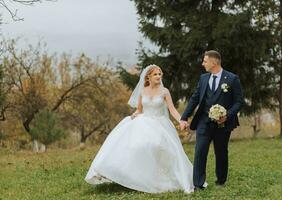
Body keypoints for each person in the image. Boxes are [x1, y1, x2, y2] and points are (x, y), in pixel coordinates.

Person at [85, 64, 196, 193]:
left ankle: (159, 178)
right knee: (135, 146)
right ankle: (117, 172)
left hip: (160, 124)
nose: (158, 76)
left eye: (160, 74)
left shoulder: (164, 92)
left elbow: (172, 110)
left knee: (157, 146)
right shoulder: (143, 91)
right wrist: (135, 114)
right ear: (148, 77)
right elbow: (139, 109)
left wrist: (181, 120)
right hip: (144, 122)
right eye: (155, 74)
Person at [180, 50, 244, 190]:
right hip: (204, 121)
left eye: (205, 61)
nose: (203, 63)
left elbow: (239, 101)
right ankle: (198, 184)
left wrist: (227, 115)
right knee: (200, 151)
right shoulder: (203, 78)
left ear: (214, 62)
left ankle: (221, 181)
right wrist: (184, 117)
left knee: (221, 152)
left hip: (223, 124)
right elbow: (195, 98)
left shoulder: (232, 79)